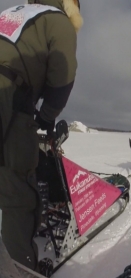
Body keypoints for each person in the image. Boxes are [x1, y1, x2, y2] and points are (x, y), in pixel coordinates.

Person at [0, 0, 82, 271]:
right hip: (9, 97)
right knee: (19, 192)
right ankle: (21, 271)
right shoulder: (57, 20)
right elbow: (63, 76)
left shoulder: (12, 13)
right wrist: (45, 116)